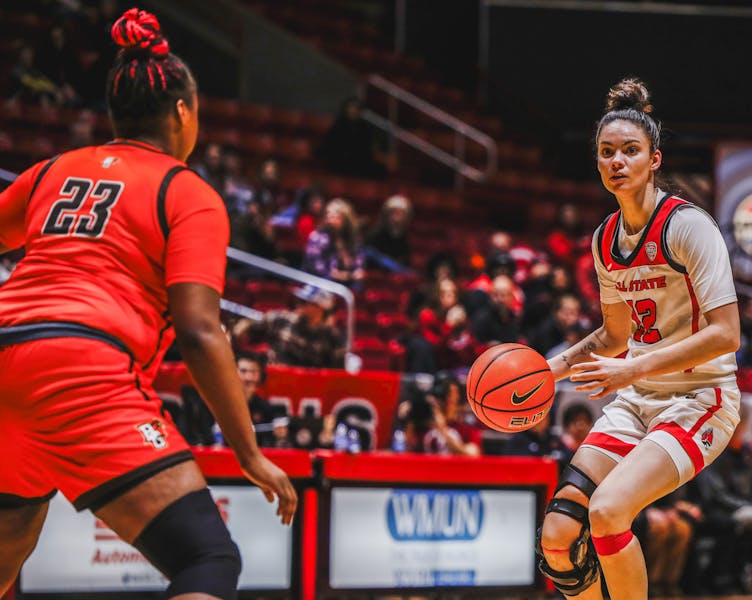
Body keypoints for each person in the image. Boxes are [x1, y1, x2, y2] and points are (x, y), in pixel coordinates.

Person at [0, 9, 297, 599]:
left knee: (9, 545)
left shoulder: (50, 171)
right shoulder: (187, 191)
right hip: (81, 368)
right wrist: (250, 452)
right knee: (206, 557)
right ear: (183, 113)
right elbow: (199, 330)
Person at [537, 78, 740, 600]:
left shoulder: (688, 227)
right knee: (558, 538)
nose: (616, 162)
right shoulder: (605, 238)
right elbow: (613, 335)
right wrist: (544, 372)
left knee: (606, 513)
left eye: (630, 151)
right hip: (639, 400)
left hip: (700, 400)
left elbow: (727, 335)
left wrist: (633, 369)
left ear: (654, 159)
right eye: (607, 153)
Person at [302, 197, 365, 287]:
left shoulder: (354, 240)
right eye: (329, 216)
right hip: (320, 283)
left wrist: (357, 272)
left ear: (346, 220)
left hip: (349, 282)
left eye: (336, 217)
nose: (331, 220)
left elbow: (359, 264)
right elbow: (318, 268)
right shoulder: (317, 237)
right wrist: (339, 275)